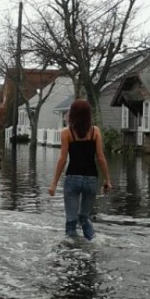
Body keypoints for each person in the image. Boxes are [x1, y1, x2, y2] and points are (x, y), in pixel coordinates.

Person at [48, 99, 112, 240]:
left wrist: (54, 183)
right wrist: (107, 180)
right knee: (84, 217)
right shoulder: (95, 131)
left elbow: (62, 160)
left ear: (73, 114)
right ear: (88, 115)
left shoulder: (67, 133)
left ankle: (72, 251)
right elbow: (101, 158)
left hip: (72, 179)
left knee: (71, 221)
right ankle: (92, 241)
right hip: (91, 179)